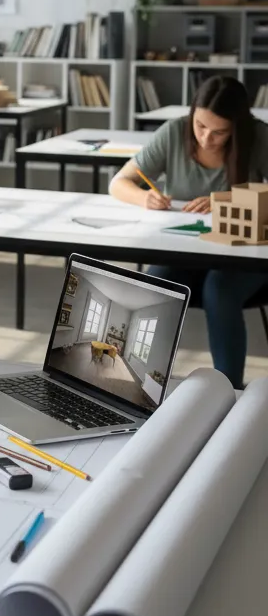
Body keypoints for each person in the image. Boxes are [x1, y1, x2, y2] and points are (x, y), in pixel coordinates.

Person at [109, 74, 268, 388]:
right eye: (200, 126)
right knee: (156, 286)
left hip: (243, 251)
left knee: (218, 290)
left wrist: (226, 201)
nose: (207, 138)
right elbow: (118, 183)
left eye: (220, 132)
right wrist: (145, 196)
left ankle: (229, 390)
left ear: (237, 127)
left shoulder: (258, 137)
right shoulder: (174, 132)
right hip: (186, 249)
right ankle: (135, 384)